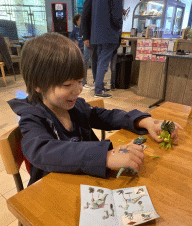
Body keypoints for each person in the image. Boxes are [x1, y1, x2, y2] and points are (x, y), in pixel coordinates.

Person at [8, 32, 182, 188]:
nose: (78, 90)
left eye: (79, 81)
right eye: (67, 84)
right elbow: (42, 151)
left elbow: (106, 116)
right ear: (38, 85)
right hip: (54, 193)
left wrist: (143, 121)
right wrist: (105, 156)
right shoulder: (32, 117)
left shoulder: (75, 105)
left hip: (89, 183)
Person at [90, 0, 123, 98]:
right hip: (109, 33)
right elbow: (117, 15)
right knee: (103, 63)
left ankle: (98, 86)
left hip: (97, 33)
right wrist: (119, 26)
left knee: (100, 61)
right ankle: (98, 90)